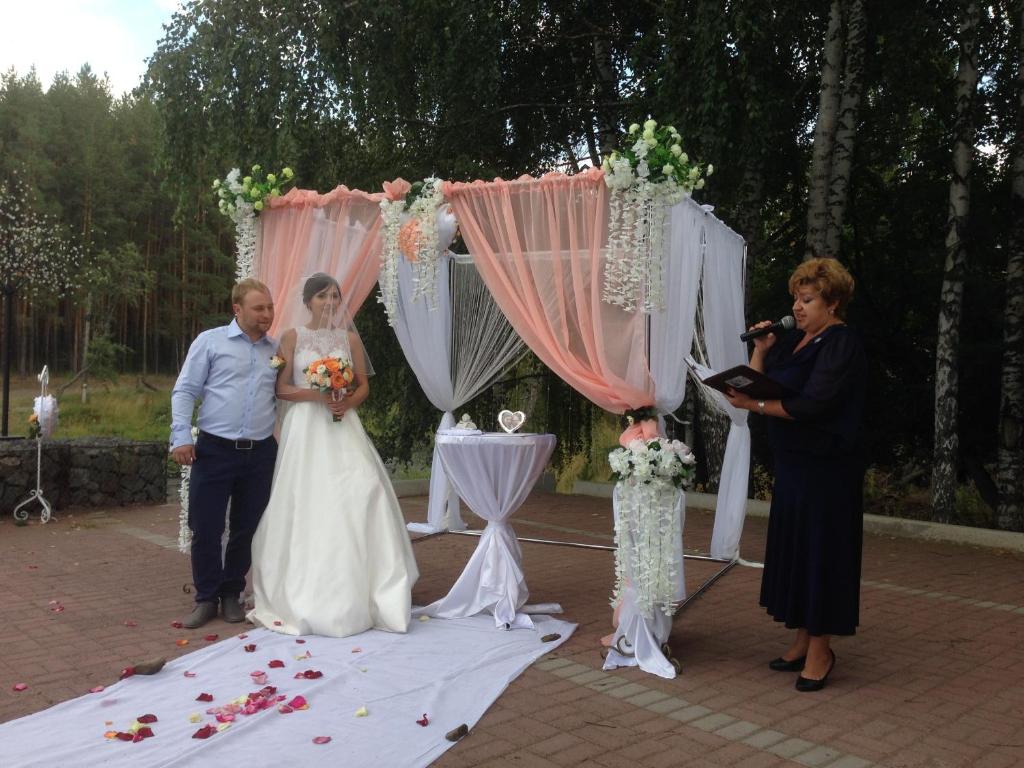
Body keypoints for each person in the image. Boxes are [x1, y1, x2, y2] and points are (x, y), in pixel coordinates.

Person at [247, 273, 418, 637]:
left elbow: (363, 384)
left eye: (334, 296)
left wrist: (346, 404)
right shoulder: (292, 337)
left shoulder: (349, 339)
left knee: (363, 489)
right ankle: (307, 586)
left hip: (343, 424)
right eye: (322, 296)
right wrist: (319, 396)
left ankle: (369, 587)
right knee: (306, 497)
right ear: (307, 301)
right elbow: (282, 389)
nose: (329, 302)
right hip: (306, 427)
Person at [725, 257, 866, 693]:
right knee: (799, 551)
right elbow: (755, 385)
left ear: (833, 303)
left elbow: (812, 405)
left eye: (807, 300)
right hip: (794, 465)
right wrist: (761, 349)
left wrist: (754, 406)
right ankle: (804, 639)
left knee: (821, 553)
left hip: (827, 470)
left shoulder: (841, 344)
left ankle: (822, 649)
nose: (797, 308)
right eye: (796, 299)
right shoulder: (793, 343)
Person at [170, 278, 279, 629]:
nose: (266, 314)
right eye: (258, 308)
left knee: (247, 527)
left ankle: (232, 592)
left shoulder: (277, 351)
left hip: (260, 452)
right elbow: (185, 390)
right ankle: (206, 597)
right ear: (237, 309)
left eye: (269, 307)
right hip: (214, 449)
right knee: (206, 526)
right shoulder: (210, 342)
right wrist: (180, 437)